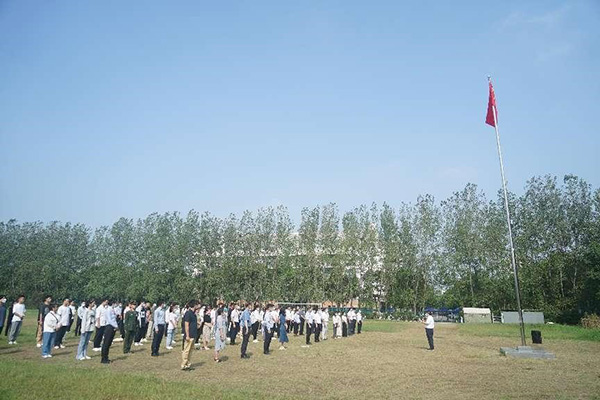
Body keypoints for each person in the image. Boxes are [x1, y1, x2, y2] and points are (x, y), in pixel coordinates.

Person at [181, 300, 199, 371]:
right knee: (186, 350)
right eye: (197, 304)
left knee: (190, 350)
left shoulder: (194, 313)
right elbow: (186, 325)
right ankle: (183, 365)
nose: (198, 306)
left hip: (194, 334)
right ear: (194, 305)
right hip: (189, 335)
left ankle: (188, 364)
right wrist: (187, 335)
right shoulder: (188, 313)